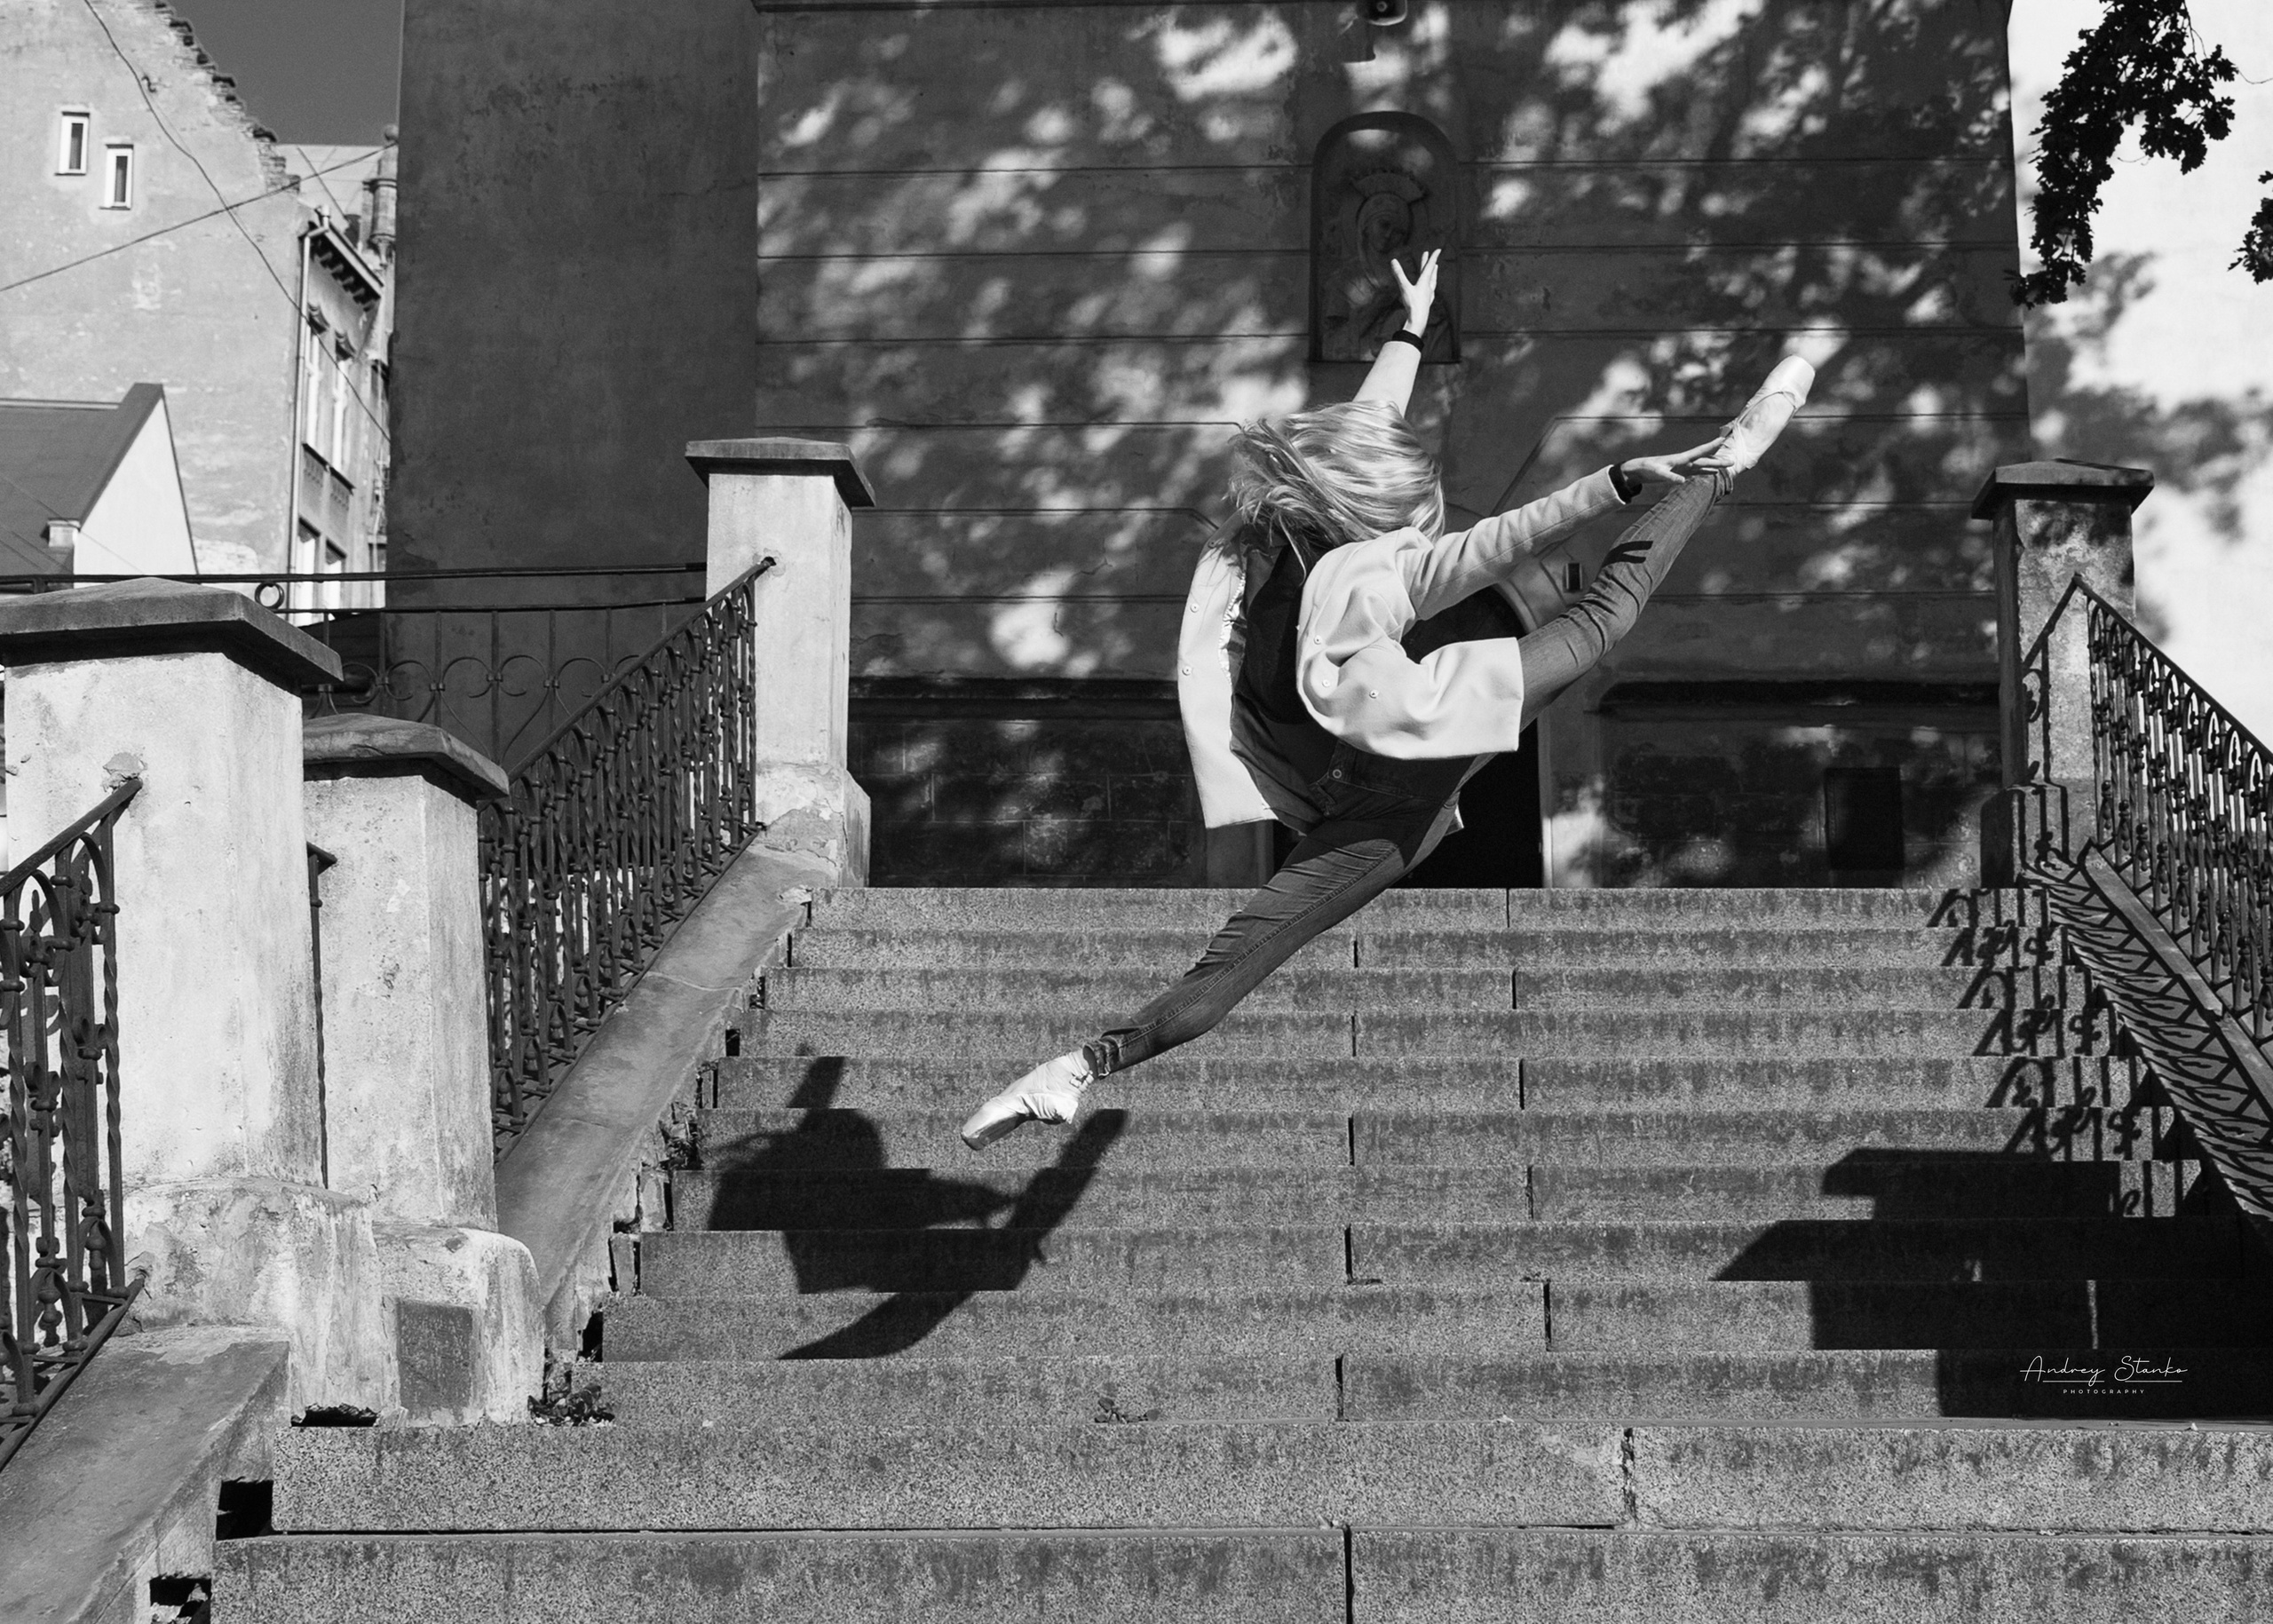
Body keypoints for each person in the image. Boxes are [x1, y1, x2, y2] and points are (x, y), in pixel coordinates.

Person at [959, 249, 1813, 1149]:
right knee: (1599, 619)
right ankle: (1729, 462)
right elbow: (1492, 543)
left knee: (1242, 952)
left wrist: (1409, 328)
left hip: (1352, 797)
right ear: (1371, 504)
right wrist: (1620, 481)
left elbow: (1368, 423)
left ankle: (1080, 1067)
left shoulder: (1274, 538)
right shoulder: (1374, 570)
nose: (1417, 526)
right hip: (1419, 753)